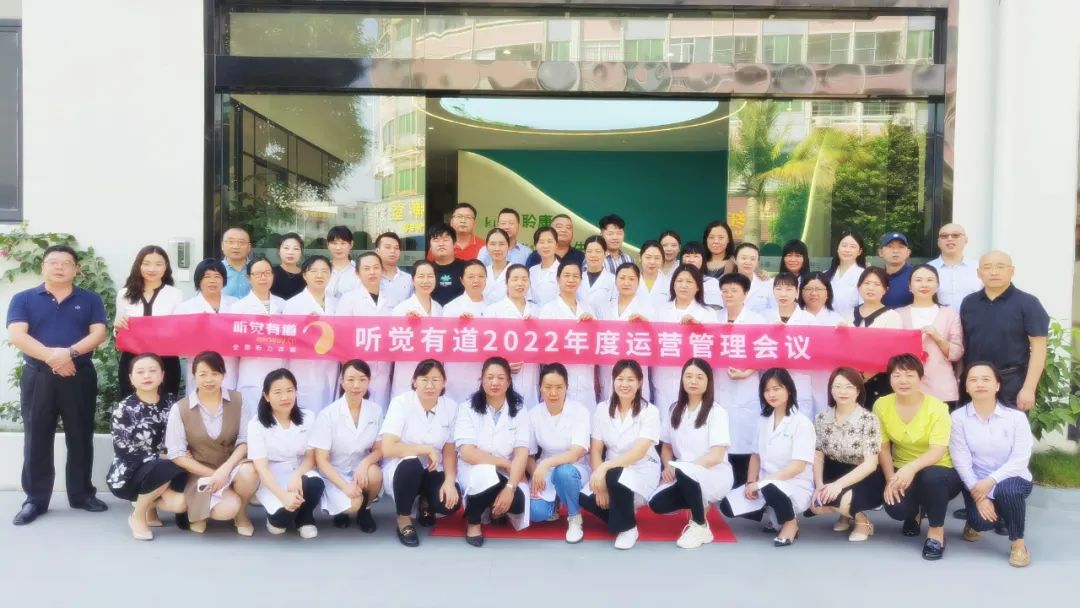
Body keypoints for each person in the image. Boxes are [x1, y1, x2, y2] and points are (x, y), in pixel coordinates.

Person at [8, 245, 109, 525]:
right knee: (36, 437)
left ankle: (82, 494)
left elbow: (98, 333)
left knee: (81, 435)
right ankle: (35, 499)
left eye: (66, 262)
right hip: (38, 376)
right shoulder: (24, 298)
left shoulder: (90, 299)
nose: (59, 267)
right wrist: (53, 358)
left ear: (76, 269)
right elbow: (17, 335)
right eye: (53, 262)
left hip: (79, 374)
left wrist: (69, 354)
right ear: (43, 266)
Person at [874, 354, 962, 560]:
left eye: (909, 375)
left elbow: (938, 450)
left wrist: (911, 468)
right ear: (890, 379)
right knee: (896, 509)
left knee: (932, 478)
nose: (903, 381)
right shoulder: (881, 405)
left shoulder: (937, 408)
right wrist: (890, 480)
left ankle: (936, 532)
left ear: (921, 378)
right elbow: (883, 447)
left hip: (939, 469)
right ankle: (914, 513)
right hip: (902, 469)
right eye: (897, 375)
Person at [950, 362, 1034, 567]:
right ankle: (974, 520)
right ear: (966, 387)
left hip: (1012, 478)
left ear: (997, 385)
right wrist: (979, 497)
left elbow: (1020, 459)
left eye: (986, 379)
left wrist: (991, 481)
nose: (980, 384)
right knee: (982, 522)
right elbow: (961, 460)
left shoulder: (1016, 418)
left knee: (1008, 491)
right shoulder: (958, 418)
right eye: (973, 380)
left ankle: (1018, 544)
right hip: (976, 483)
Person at [165, 351, 258, 535]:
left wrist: (225, 471)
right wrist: (214, 475)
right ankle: (205, 508)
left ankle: (241, 513)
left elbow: (245, 441)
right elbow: (176, 454)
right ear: (194, 376)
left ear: (223, 375)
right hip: (200, 472)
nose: (209, 379)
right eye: (203, 374)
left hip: (233, 467)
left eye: (215, 373)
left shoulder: (238, 400)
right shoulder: (180, 408)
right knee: (226, 509)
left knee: (250, 472)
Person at [719, 368, 815, 547]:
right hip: (766, 484)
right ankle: (775, 514)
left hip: (794, 485)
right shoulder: (764, 420)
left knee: (770, 487)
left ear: (789, 389)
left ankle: (790, 523)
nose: (771, 394)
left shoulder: (802, 423)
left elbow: (797, 467)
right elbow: (755, 456)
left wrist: (761, 483)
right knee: (727, 505)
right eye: (767, 390)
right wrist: (750, 483)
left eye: (777, 388)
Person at [648, 359, 733, 549]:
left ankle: (700, 526)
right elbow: (667, 446)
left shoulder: (716, 412)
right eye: (689, 376)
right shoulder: (674, 409)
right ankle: (699, 503)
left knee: (685, 471)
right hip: (683, 473)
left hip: (713, 473)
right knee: (657, 503)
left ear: (708, 381)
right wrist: (668, 466)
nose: (693, 381)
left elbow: (717, 455)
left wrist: (682, 467)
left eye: (699, 377)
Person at [579, 360, 661, 549]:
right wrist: (600, 483)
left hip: (641, 469)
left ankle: (627, 528)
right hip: (611, 472)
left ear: (640, 383)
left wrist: (604, 469)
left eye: (631, 380)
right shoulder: (602, 409)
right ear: (613, 380)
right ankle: (624, 514)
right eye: (620, 379)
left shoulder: (650, 411)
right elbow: (596, 449)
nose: (625, 384)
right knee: (585, 498)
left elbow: (638, 453)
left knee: (615, 474)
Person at [379, 360, 461, 547]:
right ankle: (403, 518)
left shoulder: (450, 407)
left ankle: (426, 501)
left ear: (444, 383)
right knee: (412, 464)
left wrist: (449, 482)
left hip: (434, 467)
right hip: (403, 467)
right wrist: (425, 449)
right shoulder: (401, 403)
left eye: (436, 380)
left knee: (449, 503)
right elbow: (388, 447)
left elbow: (449, 449)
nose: (430, 385)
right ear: (414, 381)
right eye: (424, 379)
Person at [107, 353, 188, 540]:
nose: (147, 376)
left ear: (162, 375)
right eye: (140, 372)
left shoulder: (173, 403)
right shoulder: (123, 409)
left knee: (180, 503)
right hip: (131, 471)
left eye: (152, 371)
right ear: (130, 378)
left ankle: (150, 506)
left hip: (170, 466)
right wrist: (162, 457)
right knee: (163, 466)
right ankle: (138, 515)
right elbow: (124, 450)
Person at [455, 357, 532, 546]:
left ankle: (494, 508)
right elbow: (468, 453)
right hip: (475, 469)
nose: (494, 383)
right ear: (481, 380)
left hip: (506, 474)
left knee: (517, 503)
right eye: (489, 377)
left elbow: (522, 452)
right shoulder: (467, 408)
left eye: (500, 378)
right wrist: (504, 463)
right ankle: (473, 523)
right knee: (484, 475)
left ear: (509, 381)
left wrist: (510, 488)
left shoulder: (519, 410)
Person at [960, 251, 1049, 411]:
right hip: (975, 382)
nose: (994, 272)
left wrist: (1029, 389)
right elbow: (964, 345)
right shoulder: (969, 303)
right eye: (988, 267)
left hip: (1012, 382)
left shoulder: (1028, 303)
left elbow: (1039, 348)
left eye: (1000, 267)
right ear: (979, 273)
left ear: (1012, 271)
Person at [248, 368, 325, 538]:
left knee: (315, 483)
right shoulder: (256, 425)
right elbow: (261, 468)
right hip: (271, 478)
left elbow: (310, 457)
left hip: (299, 470)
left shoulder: (308, 417)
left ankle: (305, 518)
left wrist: (297, 475)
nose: (285, 397)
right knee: (280, 523)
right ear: (266, 396)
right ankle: (277, 518)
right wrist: (283, 496)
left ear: (296, 392)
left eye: (290, 391)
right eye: (278, 392)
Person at [810, 368, 885, 542]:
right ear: (831, 390)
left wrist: (837, 486)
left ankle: (862, 521)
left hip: (864, 473)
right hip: (834, 470)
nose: (842, 392)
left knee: (843, 500)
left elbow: (870, 464)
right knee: (816, 506)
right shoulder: (821, 418)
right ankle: (845, 514)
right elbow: (818, 454)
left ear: (858, 390)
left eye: (849, 387)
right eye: (837, 386)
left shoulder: (869, 419)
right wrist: (819, 484)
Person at [311, 360, 384, 532]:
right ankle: (343, 509)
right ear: (342, 381)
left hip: (361, 470)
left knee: (374, 473)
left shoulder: (376, 410)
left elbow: (379, 448)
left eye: (362, 379)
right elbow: (321, 460)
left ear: (369, 381)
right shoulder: (328, 414)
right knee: (352, 504)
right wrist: (345, 486)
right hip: (335, 472)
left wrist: (364, 464)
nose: (356, 385)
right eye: (350, 379)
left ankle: (366, 509)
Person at [527, 363, 591, 543]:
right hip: (544, 470)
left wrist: (546, 464)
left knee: (563, 472)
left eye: (559, 387)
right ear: (540, 387)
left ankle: (574, 517)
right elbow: (529, 455)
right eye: (548, 387)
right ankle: (555, 502)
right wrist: (536, 475)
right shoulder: (534, 414)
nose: (553, 393)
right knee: (536, 513)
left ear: (566, 388)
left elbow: (576, 453)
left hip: (574, 468)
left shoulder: (580, 411)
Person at [714, 273, 766, 487]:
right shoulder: (713, 318)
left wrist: (748, 372)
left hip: (746, 386)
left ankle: (745, 485)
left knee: (745, 439)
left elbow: (766, 353)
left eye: (734, 291)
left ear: (745, 294)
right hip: (719, 385)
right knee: (720, 439)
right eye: (725, 291)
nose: (728, 295)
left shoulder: (756, 320)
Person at [115, 245, 183, 398]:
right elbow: (118, 329)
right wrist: (118, 327)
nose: (152, 269)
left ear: (166, 266)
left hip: (166, 361)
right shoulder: (124, 294)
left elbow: (178, 330)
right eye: (146, 263)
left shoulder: (175, 294)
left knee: (165, 404)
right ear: (138, 265)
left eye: (158, 264)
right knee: (132, 405)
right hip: (132, 361)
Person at [652, 264, 718, 411]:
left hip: (695, 380)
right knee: (665, 418)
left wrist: (700, 328)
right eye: (679, 281)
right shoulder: (660, 311)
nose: (683, 285)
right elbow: (651, 341)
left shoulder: (708, 313)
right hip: (664, 378)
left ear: (698, 287)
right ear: (673, 284)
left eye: (689, 282)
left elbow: (716, 345)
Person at [897, 264, 964, 405]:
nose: (924, 284)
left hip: (941, 388)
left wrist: (937, 337)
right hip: (906, 387)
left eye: (929, 280)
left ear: (937, 285)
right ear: (909, 286)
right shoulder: (898, 314)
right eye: (918, 280)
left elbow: (957, 353)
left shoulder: (949, 314)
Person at [335, 252, 394, 406]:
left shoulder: (392, 299)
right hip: (356, 367)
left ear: (382, 270)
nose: (372, 272)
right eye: (366, 268)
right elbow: (340, 335)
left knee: (380, 407)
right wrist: (349, 367)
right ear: (357, 273)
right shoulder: (349, 299)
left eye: (376, 267)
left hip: (384, 366)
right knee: (357, 407)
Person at [284, 256, 339, 415]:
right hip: (304, 367)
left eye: (324, 271)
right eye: (313, 271)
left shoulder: (337, 303)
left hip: (331, 365)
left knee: (329, 409)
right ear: (304, 275)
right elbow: (286, 338)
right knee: (306, 410)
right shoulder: (293, 304)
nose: (319, 275)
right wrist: (304, 325)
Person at [539, 261, 598, 408]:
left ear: (580, 280)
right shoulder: (548, 310)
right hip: (558, 378)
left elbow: (597, 345)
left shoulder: (588, 309)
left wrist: (592, 326)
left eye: (575, 276)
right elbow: (543, 346)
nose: (571, 280)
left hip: (585, 380)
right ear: (558, 279)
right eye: (566, 275)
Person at [232, 256, 287, 412]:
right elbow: (232, 341)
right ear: (249, 278)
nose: (263, 277)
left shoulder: (283, 305)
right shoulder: (238, 307)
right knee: (252, 416)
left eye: (267, 273)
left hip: (279, 367)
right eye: (258, 274)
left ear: (273, 276)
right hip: (252, 371)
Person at [177, 258, 239, 392]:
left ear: (224, 280)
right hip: (200, 366)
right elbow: (179, 342)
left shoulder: (236, 304)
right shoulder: (186, 308)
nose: (212, 281)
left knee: (229, 401)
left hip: (229, 365)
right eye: (207, 276)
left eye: (217, 276)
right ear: (199, 280)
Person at [483, 264, 540, 409]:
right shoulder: (493, 310)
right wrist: (503, 366)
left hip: (531, 375)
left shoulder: (537, 310)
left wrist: (537, 327)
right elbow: (485, 347)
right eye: (515, 279)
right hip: (503, 377)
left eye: (524, 279)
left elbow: (548, 344)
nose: (520, 283)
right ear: (506, 282)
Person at [790, 272, 845, 418]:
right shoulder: (793, 319)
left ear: (827, 293)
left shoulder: (838, 320)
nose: (813, 293)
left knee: (825, 417)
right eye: (808, 289)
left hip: (826, 380)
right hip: (797, 379)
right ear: (800, 292)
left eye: (819, 289)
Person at [845, 267, 902, 406]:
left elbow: (892, 352)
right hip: (849, 380)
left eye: (877, 284)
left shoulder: (892, 316)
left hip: (879, 380)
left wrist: (864, 376)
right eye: (866, 283)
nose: (871, 288)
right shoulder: (847, 314)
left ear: (885, 289)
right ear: (859, 287)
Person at [599, 263, 655, 398]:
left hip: (635, 367)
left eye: (631, 279)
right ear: (615, 280)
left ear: (638, 282)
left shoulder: (648, 309)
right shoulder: (605, 308)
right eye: (622, 278)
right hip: (608, 367)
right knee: (609, 404)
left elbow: (657, 341)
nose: (626, 283)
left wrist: (647, 325)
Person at [390, 260, 443, 398]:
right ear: (413, 280)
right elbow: (392, 344)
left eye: (430, 276)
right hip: (407, 373)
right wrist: (407, 326)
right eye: (421, 276)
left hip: (433, 372)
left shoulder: (439, 308)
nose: (426, 281)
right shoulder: (401, 309)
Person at [443, 260, 490, 404]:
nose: (476, 280)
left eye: (481, 276)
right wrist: (458, 326)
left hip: (484, 368)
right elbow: (444, 340)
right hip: (458, 371)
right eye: (471, 277)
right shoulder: (451, 308)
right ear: (462, 280)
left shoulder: (494, 306)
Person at [929, 223, 982, 310]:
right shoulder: (928, 269)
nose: (950, 239)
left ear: (966, 240)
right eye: (944, 236)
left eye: (955, 235)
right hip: (936, 318)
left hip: (973, 318)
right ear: (938, 242)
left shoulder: (979, 267)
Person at [824, 232, 866, 317]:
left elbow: (865, 305)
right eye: (844, 245)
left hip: (852, 322)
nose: (847, 250)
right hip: (826, 322)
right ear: (838, 248)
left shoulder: (865, 275)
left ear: (859, 252)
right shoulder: (825, 274)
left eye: (852, 247)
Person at [428, 223, 466, 307]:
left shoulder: (466, 268)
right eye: (436, 240)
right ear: (430, 246)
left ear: (454, 244)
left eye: (445, 239)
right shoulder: (425, 269)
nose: (441, 244)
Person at [733, 242, 775, 316]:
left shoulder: (768, 283)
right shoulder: (726, 283)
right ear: (735, 259)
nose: (748, 262)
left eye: (753, 259)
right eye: (743, 258)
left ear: (758, 262)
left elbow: (774, 310)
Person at [576, 235, 615, 312]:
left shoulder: (613, 280)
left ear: (605, 254)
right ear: (585, 254)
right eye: (589, 251)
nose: (593, 255)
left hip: (603, 319)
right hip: (579, 319)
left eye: (598, 251)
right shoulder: (577, 278)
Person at [376, 231, 413, 309]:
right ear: (377, 251)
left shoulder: (408, 279)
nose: (393, 251)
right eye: (388, 247)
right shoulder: (370, 277)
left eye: (396, 248)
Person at [679, 241, 722, 307]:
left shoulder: (711, 282)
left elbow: (715, 308)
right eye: (687, 256)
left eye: (696, 256)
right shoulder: (675, 281)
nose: (691, 260)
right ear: (681, 259)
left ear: (703, 260)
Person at [527, 226, 561, 306]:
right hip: (532, 312)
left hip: (555, 313)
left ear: (556, 244)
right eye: (541, 242)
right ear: (535, 246)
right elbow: (528, 298)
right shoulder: (532, 270)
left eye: (550, 241)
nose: (545, 246)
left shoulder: (563, 270)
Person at [880, 231, 914, 308]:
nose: (895, 251)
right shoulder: (877, 276)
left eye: (901, 247)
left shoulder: (915, 275)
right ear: (881, 252)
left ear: (908, 252)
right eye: (890, 246)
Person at [325, 225, 360, 300]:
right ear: (327, 245)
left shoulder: (359, 270)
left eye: (343, 243)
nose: (338, 248)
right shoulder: (322, 270)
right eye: (334, 243)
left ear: (351, 244)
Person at [636, 240, 671, 309]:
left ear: (662, 260)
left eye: (657, 258)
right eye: (648, 257)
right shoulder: (631, 281)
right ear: (640, 258)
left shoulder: (670, 283)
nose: (652, 262)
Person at [271, 232, 305, 300]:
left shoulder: (306, 275)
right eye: (286, 248)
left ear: (301, 252)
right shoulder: (271, 274)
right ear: (279, 251)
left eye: (296, 249)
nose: (290, 252)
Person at [220, 227, 252, 300]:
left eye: (241, 242)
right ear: (222, 245)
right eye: (231, 242)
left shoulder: (258, 268)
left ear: (249, 247)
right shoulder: (214, 270)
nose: (236, 246)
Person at [482, 228, 512, 304]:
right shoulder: (482, 272)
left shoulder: (516, 272)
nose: (497, 248)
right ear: (486, 247)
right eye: (492, 244)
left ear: (508, 246)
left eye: (501, 244)